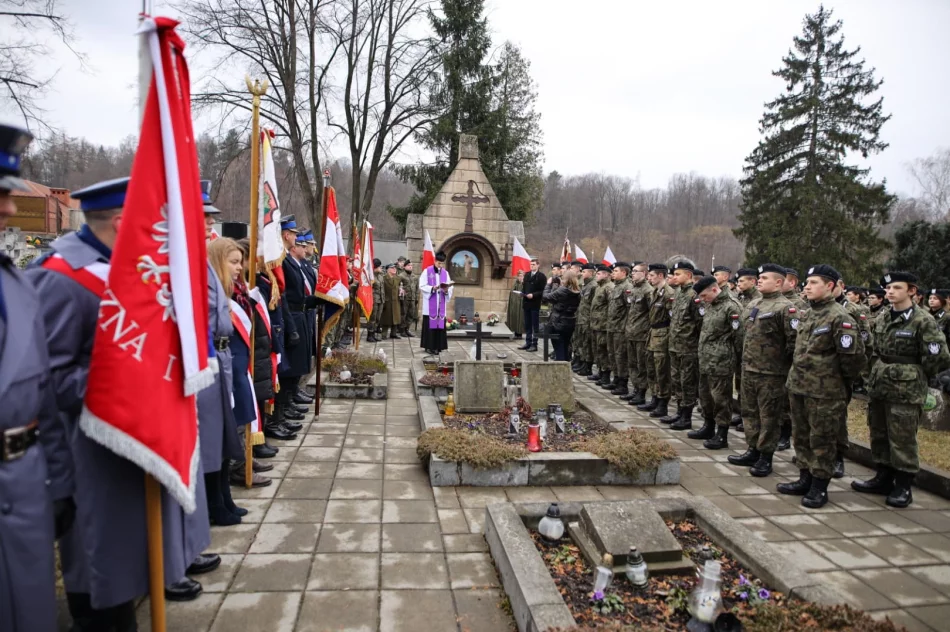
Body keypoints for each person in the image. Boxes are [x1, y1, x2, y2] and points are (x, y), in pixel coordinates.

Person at [29, 176, 215, 626]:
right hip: (87, 458)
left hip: (132, 448)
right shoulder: (62, 278)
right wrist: (132, 379)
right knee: (101, 584)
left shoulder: (123, 268)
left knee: (133, 571)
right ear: (120, 221)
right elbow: (46, 381)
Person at [0, 122, 75, 632]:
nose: (9, 208)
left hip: (25, 478)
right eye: (1, 196)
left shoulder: (15, 284)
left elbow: (42, 388)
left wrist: (59, 479)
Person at [852, 272, 950, 508]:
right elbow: (873, 349)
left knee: (903, 437)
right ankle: (883, 477)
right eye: (888, 288)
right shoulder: (885, 317)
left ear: (912, 291)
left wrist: (914, 373)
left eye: (897, 287)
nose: (890, 292)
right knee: (879, 432)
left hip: (906, 388)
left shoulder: (922, 320)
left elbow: (938, 358)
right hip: (880, 384)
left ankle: (904, 485)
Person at [780, 264, 866, 509]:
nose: (807, 287)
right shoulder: (807, 313)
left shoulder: (841, 318)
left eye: (813, 282)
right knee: (802, 436)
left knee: (823, 439)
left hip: (825, 391)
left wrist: (836, 383)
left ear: (830, 286)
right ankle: (804, 477)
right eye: (806, 282)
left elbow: (853, 359)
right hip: (799, 386)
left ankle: (819, 486)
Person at [198, 184, 247, 519]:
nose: (209, 225)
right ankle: (215, 503)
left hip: (223, 357)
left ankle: (222, 499)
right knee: (213, 436)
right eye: (203, 218)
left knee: (224, 431)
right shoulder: (197, 269)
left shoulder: (214, 275)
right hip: (208, 360)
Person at [726, 264, 797, 473]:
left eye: (765, 277)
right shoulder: (754, 304)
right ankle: (752, 449)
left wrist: (781, 366)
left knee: (769, 417)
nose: (760, 280)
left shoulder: (786, 308)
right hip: (749, 369)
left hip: (771, 374)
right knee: (749, 412)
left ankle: (766, 456)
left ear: (778, 282)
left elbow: (793, 343)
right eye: (759, 277)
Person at [690, 276, 743, 449]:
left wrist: (730, 358)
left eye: (704, 296)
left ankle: (722, 434)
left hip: (721, 362)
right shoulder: (710, 305)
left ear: (714, 289)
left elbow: (739, 337)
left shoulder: (731, 306)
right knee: (705, 397)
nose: (702, 300)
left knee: (721, 399)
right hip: (706, 359)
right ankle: (708, 426)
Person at [664, 261, 703, 429]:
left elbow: (700, 323)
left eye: (678, 274)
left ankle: (687, 417)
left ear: (688, 275)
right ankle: (679, 412)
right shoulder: (679, 292)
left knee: (687, 382)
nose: (674, 277)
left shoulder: (695, 295)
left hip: (688, 348)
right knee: (677, 381)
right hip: (675, 346)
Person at [639, 264, 675, 416]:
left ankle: (662, 402)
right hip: (653, 334)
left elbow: (672, 318)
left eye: (652, 275)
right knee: (652, 369)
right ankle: (654, 397)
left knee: (662, 371)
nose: (649, 278)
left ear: (661, 276)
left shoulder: (668, 294)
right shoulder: (655, 292)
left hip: (663, 335)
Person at [623, 262, 653, 406]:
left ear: (645, 274)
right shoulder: (633, 290)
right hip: (631, 332)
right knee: (632, 363)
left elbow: (652, 314)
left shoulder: (648, 291)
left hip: (641, 334)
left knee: (642, 365)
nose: (632, 273)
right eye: (632, 271)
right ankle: (635, 389)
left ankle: (641, 391)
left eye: (636, 271)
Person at [603, 262, 633, 395]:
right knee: (613, 355)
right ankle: (616, 379)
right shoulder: (616, 286)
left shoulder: (627, 288)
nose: (613, 273)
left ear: (624, 273)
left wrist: (625, 327)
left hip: (620, 329)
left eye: (615, 271)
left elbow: (629, 310)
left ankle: (623, 383)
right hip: (612, 327)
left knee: (621, 356)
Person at [543, 268, 581, 361]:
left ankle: (561, 367)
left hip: (558, 321)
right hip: (570, 320)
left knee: (558, 346)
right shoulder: (578, 291)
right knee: (566, 345)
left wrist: (548, 284)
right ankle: (566, 365)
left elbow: (546, 297)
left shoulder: (563, 290)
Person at [419, 251, 454, 354]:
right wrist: (432, 288)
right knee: (430, 326)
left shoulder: (445, 273)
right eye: (439, 263)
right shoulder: (427, 271)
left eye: (442, 263)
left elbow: (448, 285)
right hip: (431, 304)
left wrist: (447, 290)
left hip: (441, 303)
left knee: (440, 325)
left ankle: (439, 346)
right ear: (435, 261)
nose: (440, 265)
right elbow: (422, 285)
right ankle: (429, 346)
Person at [587, 264, 612, 383]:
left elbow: (611, 307)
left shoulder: (609, 287)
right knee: (598, 350)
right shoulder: (598, 287)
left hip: (603, 325)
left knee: (603, 350)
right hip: (595, 324)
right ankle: (600, 371)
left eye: (599, 273)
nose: (597, 275)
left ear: (606, 275)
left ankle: (606, 374)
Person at [572, 264, 596, 375]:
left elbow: (593, 306)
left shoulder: (593, 286)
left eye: (584, 271)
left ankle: (587, 366)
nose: (582, 273)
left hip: (587, 320)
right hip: (581, 318)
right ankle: (581, 362)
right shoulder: (585, 285)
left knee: (587, 344)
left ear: (591, 273)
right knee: (580, 342)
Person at [520, 257, 546, 351]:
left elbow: (542, 291)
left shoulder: (541, 276)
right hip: (526, 303)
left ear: (538, 265)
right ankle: (528, 342)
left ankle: (534, 344)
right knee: (527, 324)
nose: (532, 266)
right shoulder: (527, 275)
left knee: (535, 325)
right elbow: (525, 288)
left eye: (534, 264)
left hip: (535, 303)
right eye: (530, 264)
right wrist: (522, 294)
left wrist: (533, 295)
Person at [381, 263, 403, 339]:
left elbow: (400, 287)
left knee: (396, 318)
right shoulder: (384, 278)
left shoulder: (398, 278)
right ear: (388, 270)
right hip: (387, 301)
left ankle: (393, 333)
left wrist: (402, 291)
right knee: (386, 318)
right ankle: (384, 334)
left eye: (395, 268)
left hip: (396, 301)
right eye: (392, 268)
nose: (394, 269)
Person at [367, 258, 385, 342]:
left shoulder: (380, 276)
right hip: (374, 300)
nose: (381, 268)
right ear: (375, 267)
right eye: (379, 266)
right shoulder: (371, 276)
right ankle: (370, 334)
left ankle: (374, 333)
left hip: (381, 300)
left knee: (378, 318)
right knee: (372, 318)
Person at [400, 260, 418, 337]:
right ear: (404, 267)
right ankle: (402, 330)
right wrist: (401, 297)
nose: (410, 267)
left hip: (412, 298)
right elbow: (399, 287)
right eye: (408, 265)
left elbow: (417, 288)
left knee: (411, 314)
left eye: (411, 265)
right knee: (403, 314)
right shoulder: (401, 276)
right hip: (405, 298)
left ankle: (407, 329)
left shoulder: (414, 277)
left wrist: (416, 297)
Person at [507, 269, 526, 338]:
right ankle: (515, 332)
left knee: (521, 318)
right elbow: (512, 292)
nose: (521, 277)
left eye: (522, 276)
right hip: (515, 304)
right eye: (519, 276)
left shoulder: (525, 284)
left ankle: (520, 333)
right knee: (515, 316)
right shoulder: (516, 283)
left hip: (522, 304)